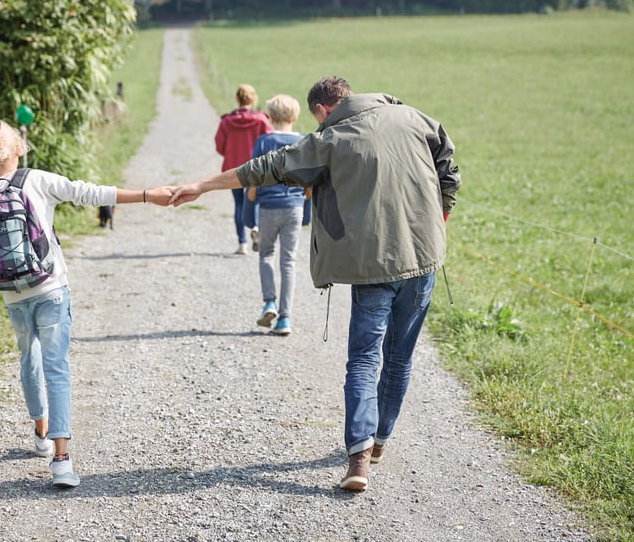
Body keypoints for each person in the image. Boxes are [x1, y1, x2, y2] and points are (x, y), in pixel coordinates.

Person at [171, 76, 461, 492]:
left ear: (323, 111)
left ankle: (358, 460)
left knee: (363, 359)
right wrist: (438, 220)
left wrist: (202, 185)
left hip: (372, 266)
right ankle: (380, 441)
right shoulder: (414, 117)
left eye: (317, 120)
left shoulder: (331, 138)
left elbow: (265, 168)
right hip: (424, 260)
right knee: (398, 358)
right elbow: (449, 170)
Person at [0, 120, 173, 488]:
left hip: (14, 295)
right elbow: (88, 193)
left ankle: (41, 433)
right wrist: (146, 194)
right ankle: (61, 461)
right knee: (55, 366)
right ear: (19, 148)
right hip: (51, 286)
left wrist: (5, 268)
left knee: (28, 356)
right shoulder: (38, 181)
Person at [246, 94, 311, 336]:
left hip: (268, 207)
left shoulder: (263, 142)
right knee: (289, 261)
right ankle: (285, 319)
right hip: (294, 206)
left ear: (270, 117)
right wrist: (306, 196)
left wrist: (251, 196)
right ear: (295, 117)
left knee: (266, 254)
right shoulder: (304, 143)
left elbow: (253, 175)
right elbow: (310, 179)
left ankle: (269, 302)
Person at [214, 84, 271, 254]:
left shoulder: (226, 121)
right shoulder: (261, 120)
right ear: (253, 99)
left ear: (237, 98)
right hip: (257, 169)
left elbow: (219, 145)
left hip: (234, 169)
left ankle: (242, 243)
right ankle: (256, 227)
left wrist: (230, 153)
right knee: (257, 201)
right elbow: (269, 143)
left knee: (239, 204)